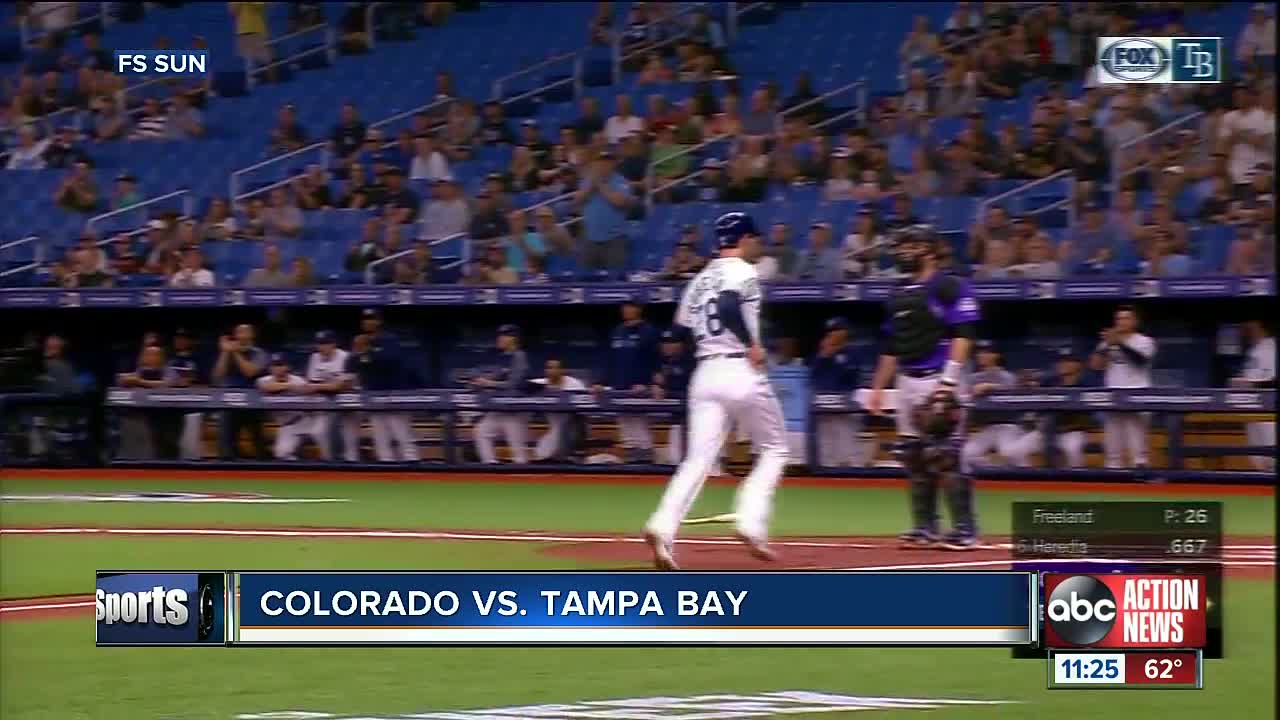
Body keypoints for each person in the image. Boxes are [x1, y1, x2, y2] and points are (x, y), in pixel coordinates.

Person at [644, 212, 788, 570]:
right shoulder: (741, 269)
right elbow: (726, 306)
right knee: (775, 448)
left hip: (704, 373)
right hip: (739, 367)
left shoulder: (698, 280)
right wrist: (750, 343)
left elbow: (676, 336)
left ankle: (662, 526)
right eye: (754, 237)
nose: (758, 242)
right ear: (743, 239)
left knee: (697, 460)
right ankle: (750, 522)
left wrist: (666, 372)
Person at [867, 225, 980, 550]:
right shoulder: (899, 293)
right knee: (914, 458)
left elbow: (964, 335)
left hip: (939, 376)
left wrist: (949, 381)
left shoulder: (948, 285)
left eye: (911, 245)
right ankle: (925, 527)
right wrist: (878, 387)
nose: (902, 251)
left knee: (946, 456)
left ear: (929, 249)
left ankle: (964, 530)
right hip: (907, 380)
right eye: (900, 245)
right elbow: (892, 346)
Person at [1089, 305, 1156, 470]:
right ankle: (1113, 475)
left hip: (1137, 395)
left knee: (1138, 447)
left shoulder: (1144, 341)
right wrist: (1106, 346)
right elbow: (1095, 365)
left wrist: (1119, 343)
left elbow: (1140, 361)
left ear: (1135, 321)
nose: (1122, 322)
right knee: (1112, 446)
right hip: (1113, 396)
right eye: (1119, 318)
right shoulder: (1108, 341)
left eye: (1126, 318)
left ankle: (1141, 477)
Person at [1007, 347, 1096, 469]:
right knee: (1013, 452)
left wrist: (1062, 425)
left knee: (1073, 449)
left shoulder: (1085, 386)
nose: (1063, 364)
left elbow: (1088, 420)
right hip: (1045, 432)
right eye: (1061, 361)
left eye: (1068, 361)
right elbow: (1035, 402)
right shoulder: (1049, 384)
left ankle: (1075, 484)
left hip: (1072, 433)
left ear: (1078, 365)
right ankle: (1032, 482)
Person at [598, 301, 659, 463]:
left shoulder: (649, 331)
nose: (626, 310)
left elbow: (654, 359)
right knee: (624, 424)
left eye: (630, 307)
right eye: (624, 307)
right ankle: (632, 461)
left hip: (639, 386)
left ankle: (646, 460)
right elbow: (610, 359)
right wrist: (601, 381)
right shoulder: (618, 331)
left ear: (638, 309)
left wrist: (647, 382)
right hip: (619, 386)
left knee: (639, 423)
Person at [352, 309, 417, 462]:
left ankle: (412, 464)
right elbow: (355, 365)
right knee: (380, 435)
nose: (368, 322)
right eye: (365, 319)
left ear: (379, 321)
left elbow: (390, 360)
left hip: (393, 393)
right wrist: (357, 352)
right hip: (373, 394)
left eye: (372, 319)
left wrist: (368, 349)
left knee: (401, 432)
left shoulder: (389, 339)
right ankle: (386, 466)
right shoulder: (360, 341)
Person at [471, 324, 531, 464]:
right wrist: (481, 381)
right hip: (500, 406)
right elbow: (497, 376)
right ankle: (491, 466)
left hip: (515, 407)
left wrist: (489, 383)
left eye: (503, 336)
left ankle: (524, 478)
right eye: (500, 335)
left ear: (512, 338)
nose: (499, 339)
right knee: (482, 433)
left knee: (518, 449)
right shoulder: (503, 357)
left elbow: (514, 384)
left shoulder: (520, 357)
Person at [810, 317, 865, 468]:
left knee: (848, 447)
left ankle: (857, 479)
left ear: (844, 332)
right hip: (824, 406)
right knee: (826, 448)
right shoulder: (821, 354)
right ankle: (828, 481)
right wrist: (823, 356)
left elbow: (848, 377)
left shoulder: (852, 352)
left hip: (846, 406)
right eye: (829, 331)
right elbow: (814, 378)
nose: (831, 334)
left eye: (835, 330)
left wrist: (833, 353)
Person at [959, 341, 1019, 470]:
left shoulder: (1007, 376)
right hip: (984, 428)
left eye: (986, 352)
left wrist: (989, 386)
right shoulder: (973, 378)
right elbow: (963, 398)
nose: (981, 355)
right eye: (980, 352)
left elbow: (1012, 389)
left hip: (1007, 426)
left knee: (1010, 454)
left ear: (996, 356)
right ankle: (991, 468)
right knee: (966, 454)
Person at [212, 324, 269, 459]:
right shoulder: (228, 352)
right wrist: (225, 352)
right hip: (230, 402)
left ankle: (266, 471)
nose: (242, 335)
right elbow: (217, 377)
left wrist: (235, 352)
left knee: (259, 443)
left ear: (252, 335)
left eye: (245, 331)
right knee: (225, 445)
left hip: (253, 402)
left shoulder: (259, 353)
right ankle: (228, 469)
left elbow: (250, 372)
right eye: (239, 332)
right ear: (235, 335)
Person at [117, 344, 181, 459]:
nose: (151, 358)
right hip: (146, 416)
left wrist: (140, 382)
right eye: (148, 355)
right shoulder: (141, 371)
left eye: (155, 355)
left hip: (169, 416)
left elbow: (167, 384)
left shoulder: (169, 370)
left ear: (162, 358)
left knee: (166, 446)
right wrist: (129, 380)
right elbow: (123, 381)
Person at [257, 354, 322, 460]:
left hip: (306, 421)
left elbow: (309, 390)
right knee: (281, 454)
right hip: (287, 426)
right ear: (270, 368)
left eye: (280, 365)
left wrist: (301, 387)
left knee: (324, 438)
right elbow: (267, 387)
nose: (277, 368)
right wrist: (290, 386)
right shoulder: (264, 380)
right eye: (274, 365)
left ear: (288, 367)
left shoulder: (298, 380)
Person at [1232, 320, 1275, 472]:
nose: (1244, 329)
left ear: (1259, 326)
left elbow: (1273, 381)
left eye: (1249, 324)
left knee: (1272, 458)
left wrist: (1253, 384)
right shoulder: (1254, 350)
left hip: (1269, 411)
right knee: (1257, 459)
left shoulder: (1271, 347)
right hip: (1251, 409)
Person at [303, 330, 349, 460]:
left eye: (325, 343)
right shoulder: (315, 357)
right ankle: (331, 462)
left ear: (333, 344)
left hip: (348, 402)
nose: (321, 347)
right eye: (319, 344)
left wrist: (318, 386)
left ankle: (340, 460)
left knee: (346, 437)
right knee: (317, 432)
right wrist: (324, 386)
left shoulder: (344, 357)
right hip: (325, 403)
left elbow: (339, 386)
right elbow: (310, 382)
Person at [653, 329, 695, 466]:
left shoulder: (691, 361)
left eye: (672, 342)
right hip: (678, 420)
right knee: (675, 460)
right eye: (664, 343)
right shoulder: (666, 362)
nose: (667, 346)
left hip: (694, 421)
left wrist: (665, 386)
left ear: (681, 344)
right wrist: (658, 384)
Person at [533, 359, 588, 462]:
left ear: (562, 370)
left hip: (573, 424)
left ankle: (576, 452)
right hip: (554, 426)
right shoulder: (539, 384)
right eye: (549, 368)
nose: (551, 370)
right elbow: (520, 386)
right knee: (541, 454)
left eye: (555, 368)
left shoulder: (574, 384)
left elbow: (585, 408)